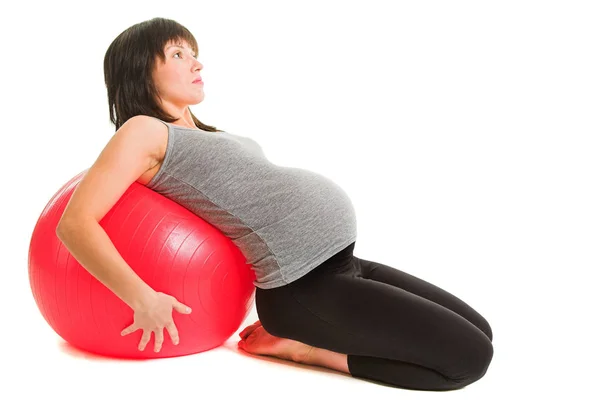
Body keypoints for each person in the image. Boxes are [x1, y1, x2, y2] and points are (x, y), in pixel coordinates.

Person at [56, 17, 494, 391]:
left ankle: (308, 337)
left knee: (482, 333)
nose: (196, 62)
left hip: (341, 265)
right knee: (467, 360)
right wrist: (141, 297)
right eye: (176, 54)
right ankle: (308, 351)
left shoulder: (200, 132)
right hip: (305, 288)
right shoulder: (142, 131)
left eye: (193, 52)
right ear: (139, 70)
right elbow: (75, 223)